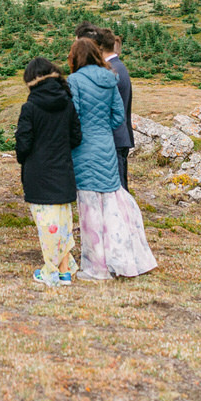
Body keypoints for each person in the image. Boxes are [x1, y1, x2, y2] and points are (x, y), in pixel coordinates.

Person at [66, 38, 156, 280]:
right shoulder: (109, 78)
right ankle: (119, 257)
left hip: (84, 149)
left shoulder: (74, 81)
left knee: (89, 208)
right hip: (106, 145)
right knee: (110, 205)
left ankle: (96, 267)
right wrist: (102, 128)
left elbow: (72, 116)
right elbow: (119, 116)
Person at [15, 57, 81, 287]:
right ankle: (64, 270)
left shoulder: (30, 107)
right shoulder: (67, 103)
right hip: (62, 170)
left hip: (38, 172)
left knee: (47, 226)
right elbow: (76, 137)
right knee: (62, 224)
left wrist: (25, 159)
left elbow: (23, 143)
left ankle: (52, 271)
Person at [97, 28, 134, 191]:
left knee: (118, 192)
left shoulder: (111, 70)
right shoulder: (118, 66)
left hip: (114, 139)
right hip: (120, 137)